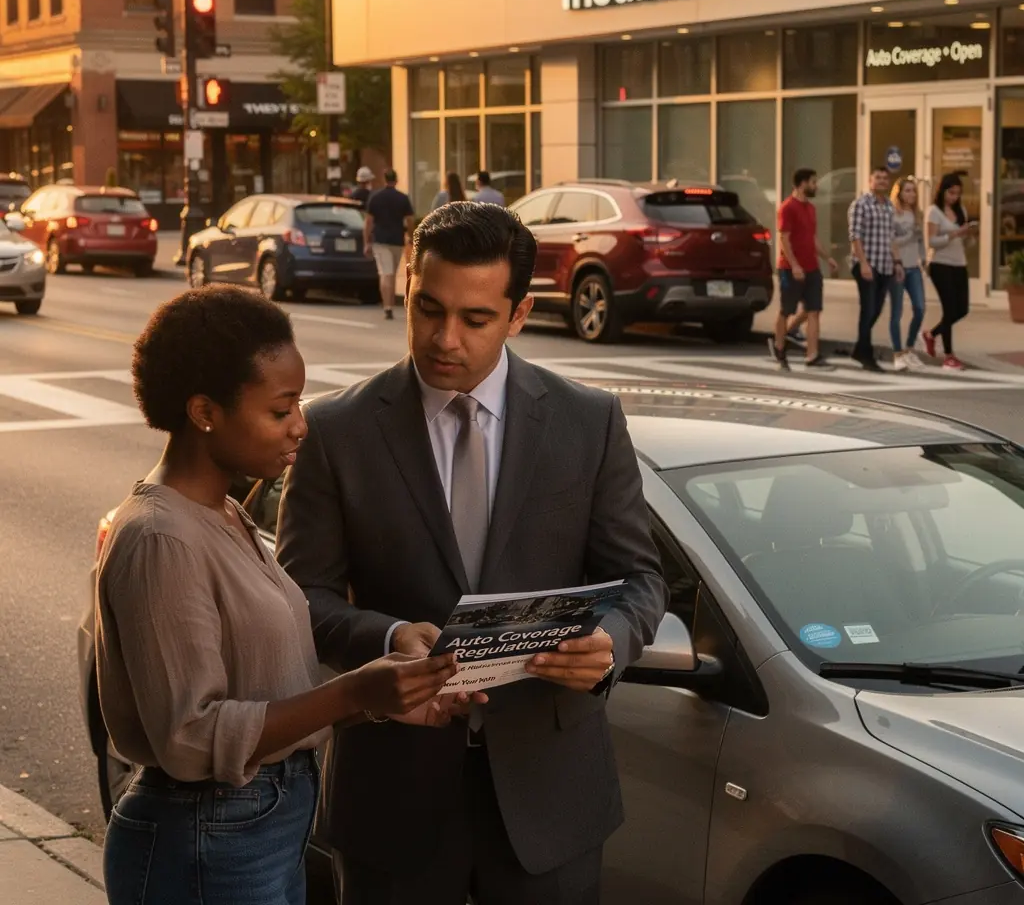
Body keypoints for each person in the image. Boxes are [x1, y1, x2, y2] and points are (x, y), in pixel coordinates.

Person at [277, 201, 669, 905]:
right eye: (428, 309)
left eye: (475, 319)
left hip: (552, 798)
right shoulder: (336, 432)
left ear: (518, 314)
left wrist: (608, 642)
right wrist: (390, 638)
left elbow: (640, 577)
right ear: (406, 283)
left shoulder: (589, 421)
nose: (444, 338)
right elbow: (299, 595)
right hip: (391, 796)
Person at [94, 286, 461, 905]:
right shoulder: (162, 538)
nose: (301, 425)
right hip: (207, 833)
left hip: (256, 825)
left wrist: (383, 692)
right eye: (280, 409)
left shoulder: (226, 514)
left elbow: (269, 695)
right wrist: (351, 689)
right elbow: (190, 736)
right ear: (205, 411)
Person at [769, 168, 839, 371]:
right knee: (786, 311)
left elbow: (812, 238)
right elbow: (784, 238)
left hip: (812, 268)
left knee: (814, 310)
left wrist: (827, 258)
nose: (816, 186)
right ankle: (779, 347)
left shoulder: (811, 208)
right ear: (802, 184)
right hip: (791, 269)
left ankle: (812, 355)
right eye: (813, 182)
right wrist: (794, 265)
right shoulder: (787, 208)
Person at [848, 166, 905, 372]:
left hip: (885, 266)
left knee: (877, 309)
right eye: (877, 178)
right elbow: (855, 236)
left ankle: (859, 348)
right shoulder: (860, 205)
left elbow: (892, 238)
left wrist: (897, 263)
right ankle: (866, 355)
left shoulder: (889, 206)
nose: (881, 181)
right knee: (868, 309)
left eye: (885, 178)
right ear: (870, 181)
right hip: (866, 264)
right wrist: (863, 263)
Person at [922, 172, 975, 371]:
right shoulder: (933, 211)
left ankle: (931, 334)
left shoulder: (960, 210)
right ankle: (949, 356)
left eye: (957, 194)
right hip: (940, 264)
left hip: (959, 263)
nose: (954, 197)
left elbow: (965, 242)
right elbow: (932, 242)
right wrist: (955, 234)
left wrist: (969, 235)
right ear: (943, 190)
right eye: (951, 193)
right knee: (949, 308)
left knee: (962, 309)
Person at [888, 177, 927, 372]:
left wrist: (924, 258)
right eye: (908, 191)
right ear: (899, 193)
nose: (911, 194)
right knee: (896, 312)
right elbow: (891, 242)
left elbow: (920, 241)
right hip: (898, 267)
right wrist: (908, 236)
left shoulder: (916, 214)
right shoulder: (893, 215)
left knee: (920, 308)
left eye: (914, 191)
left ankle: (910, 348)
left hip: (914, 268)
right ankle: (897, 353)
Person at [365, 168, 415, 321]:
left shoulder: (375, 198)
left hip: (380, 240)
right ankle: (390, 304)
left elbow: (368, 222)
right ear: (396, 180)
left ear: (384, 179)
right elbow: (410, 220)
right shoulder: (403, 198)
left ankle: (387, 306)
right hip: (396, 240)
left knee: (385, 273)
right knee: (391, 273)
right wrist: (411, 236)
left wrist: (366, 241)